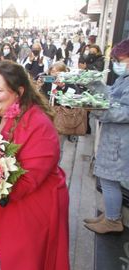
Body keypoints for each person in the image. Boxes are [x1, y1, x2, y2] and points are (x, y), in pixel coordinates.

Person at [0, 60, 69, 269]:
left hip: (34, 205)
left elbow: (28, 179)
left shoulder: (38, 123)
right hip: (4, 202)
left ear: (18, 92)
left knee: (28, 260)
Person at [84, 39, 129, 234]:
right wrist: (94, 85)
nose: (117, 63)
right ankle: (110, 215)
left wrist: (99, 110)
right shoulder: (124, 78)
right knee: (107, 178)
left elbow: (125, 111)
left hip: (121, 141)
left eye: (120, 59)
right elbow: (111, 94)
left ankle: (112, 221)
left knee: (109, 180)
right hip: (115, 137)